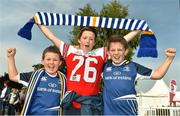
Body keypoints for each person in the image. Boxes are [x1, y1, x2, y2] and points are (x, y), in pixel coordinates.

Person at [38, 25, 140, 115]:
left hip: (91, 104)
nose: (87, 41)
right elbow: (51, 37)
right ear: (79, 40)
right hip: (71, 104)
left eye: (91, 39)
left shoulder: (99, 53)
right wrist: (39, 23)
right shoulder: (70, 50)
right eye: (85, 38)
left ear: (94, 42)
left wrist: (138, 30)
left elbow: (121, 42)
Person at [102, 35, 176, 115]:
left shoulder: (133, 67)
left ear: (126, 51)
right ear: (108, 53)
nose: (116, 53)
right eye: (113, 50)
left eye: (120, 50)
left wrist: (169, 58)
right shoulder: (103, 68)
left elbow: (158, 74)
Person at [7, 45, 66, 115]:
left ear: (60, 63)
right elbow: (13, 76)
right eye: (48, 59)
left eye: (55, 60)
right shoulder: (34, 76)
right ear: (42, 61)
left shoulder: (64, 79)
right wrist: (11, 58)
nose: (51, 62)